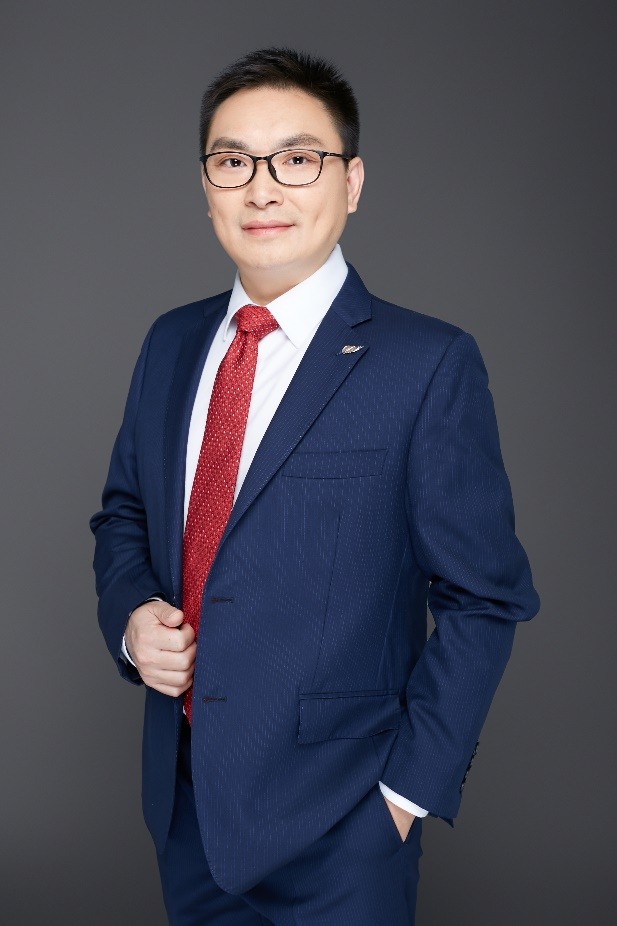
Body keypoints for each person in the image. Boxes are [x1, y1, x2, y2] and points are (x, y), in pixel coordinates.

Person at [90, 47, 539, 926]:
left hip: (342, 825)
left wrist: (404, 798)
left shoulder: (426, 363)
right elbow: (125, 514)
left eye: (297, 159)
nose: (262, 189)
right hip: (184, 807)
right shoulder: (171, 343)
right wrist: (132, 617)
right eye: (233, 162)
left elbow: (485, 597)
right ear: (207, 186)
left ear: (352, 181)